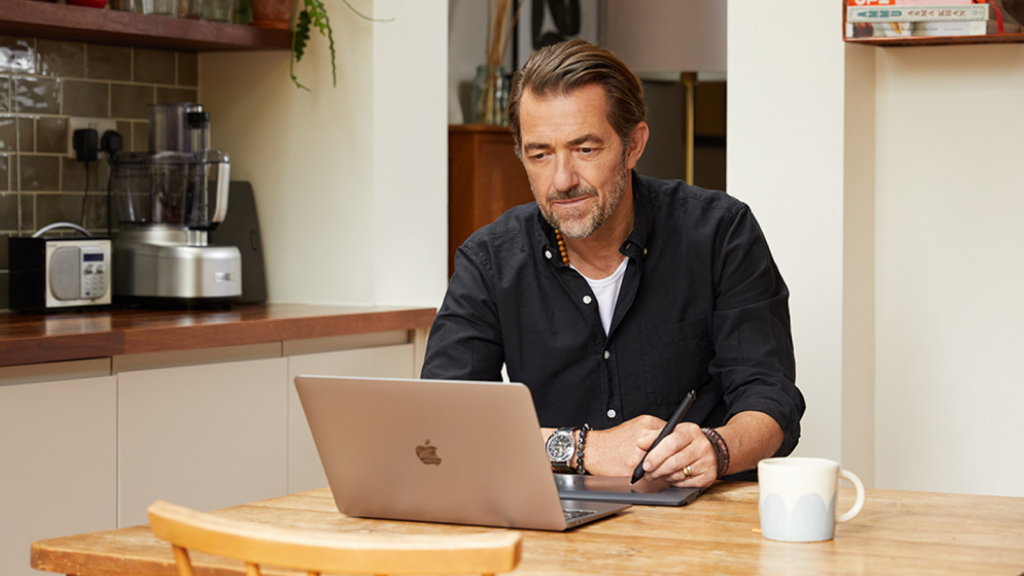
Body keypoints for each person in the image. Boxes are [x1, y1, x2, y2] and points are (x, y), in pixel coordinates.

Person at [422, 40, 804, 488]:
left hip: (700, 515)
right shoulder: (490, 260)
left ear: (633, 145)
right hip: (553, 518)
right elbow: (445, 420)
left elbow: (771, 398)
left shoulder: (720, 233)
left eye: (585, 149)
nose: (562, 181)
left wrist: (717, 448)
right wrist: (584, 449)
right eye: (540, 154)